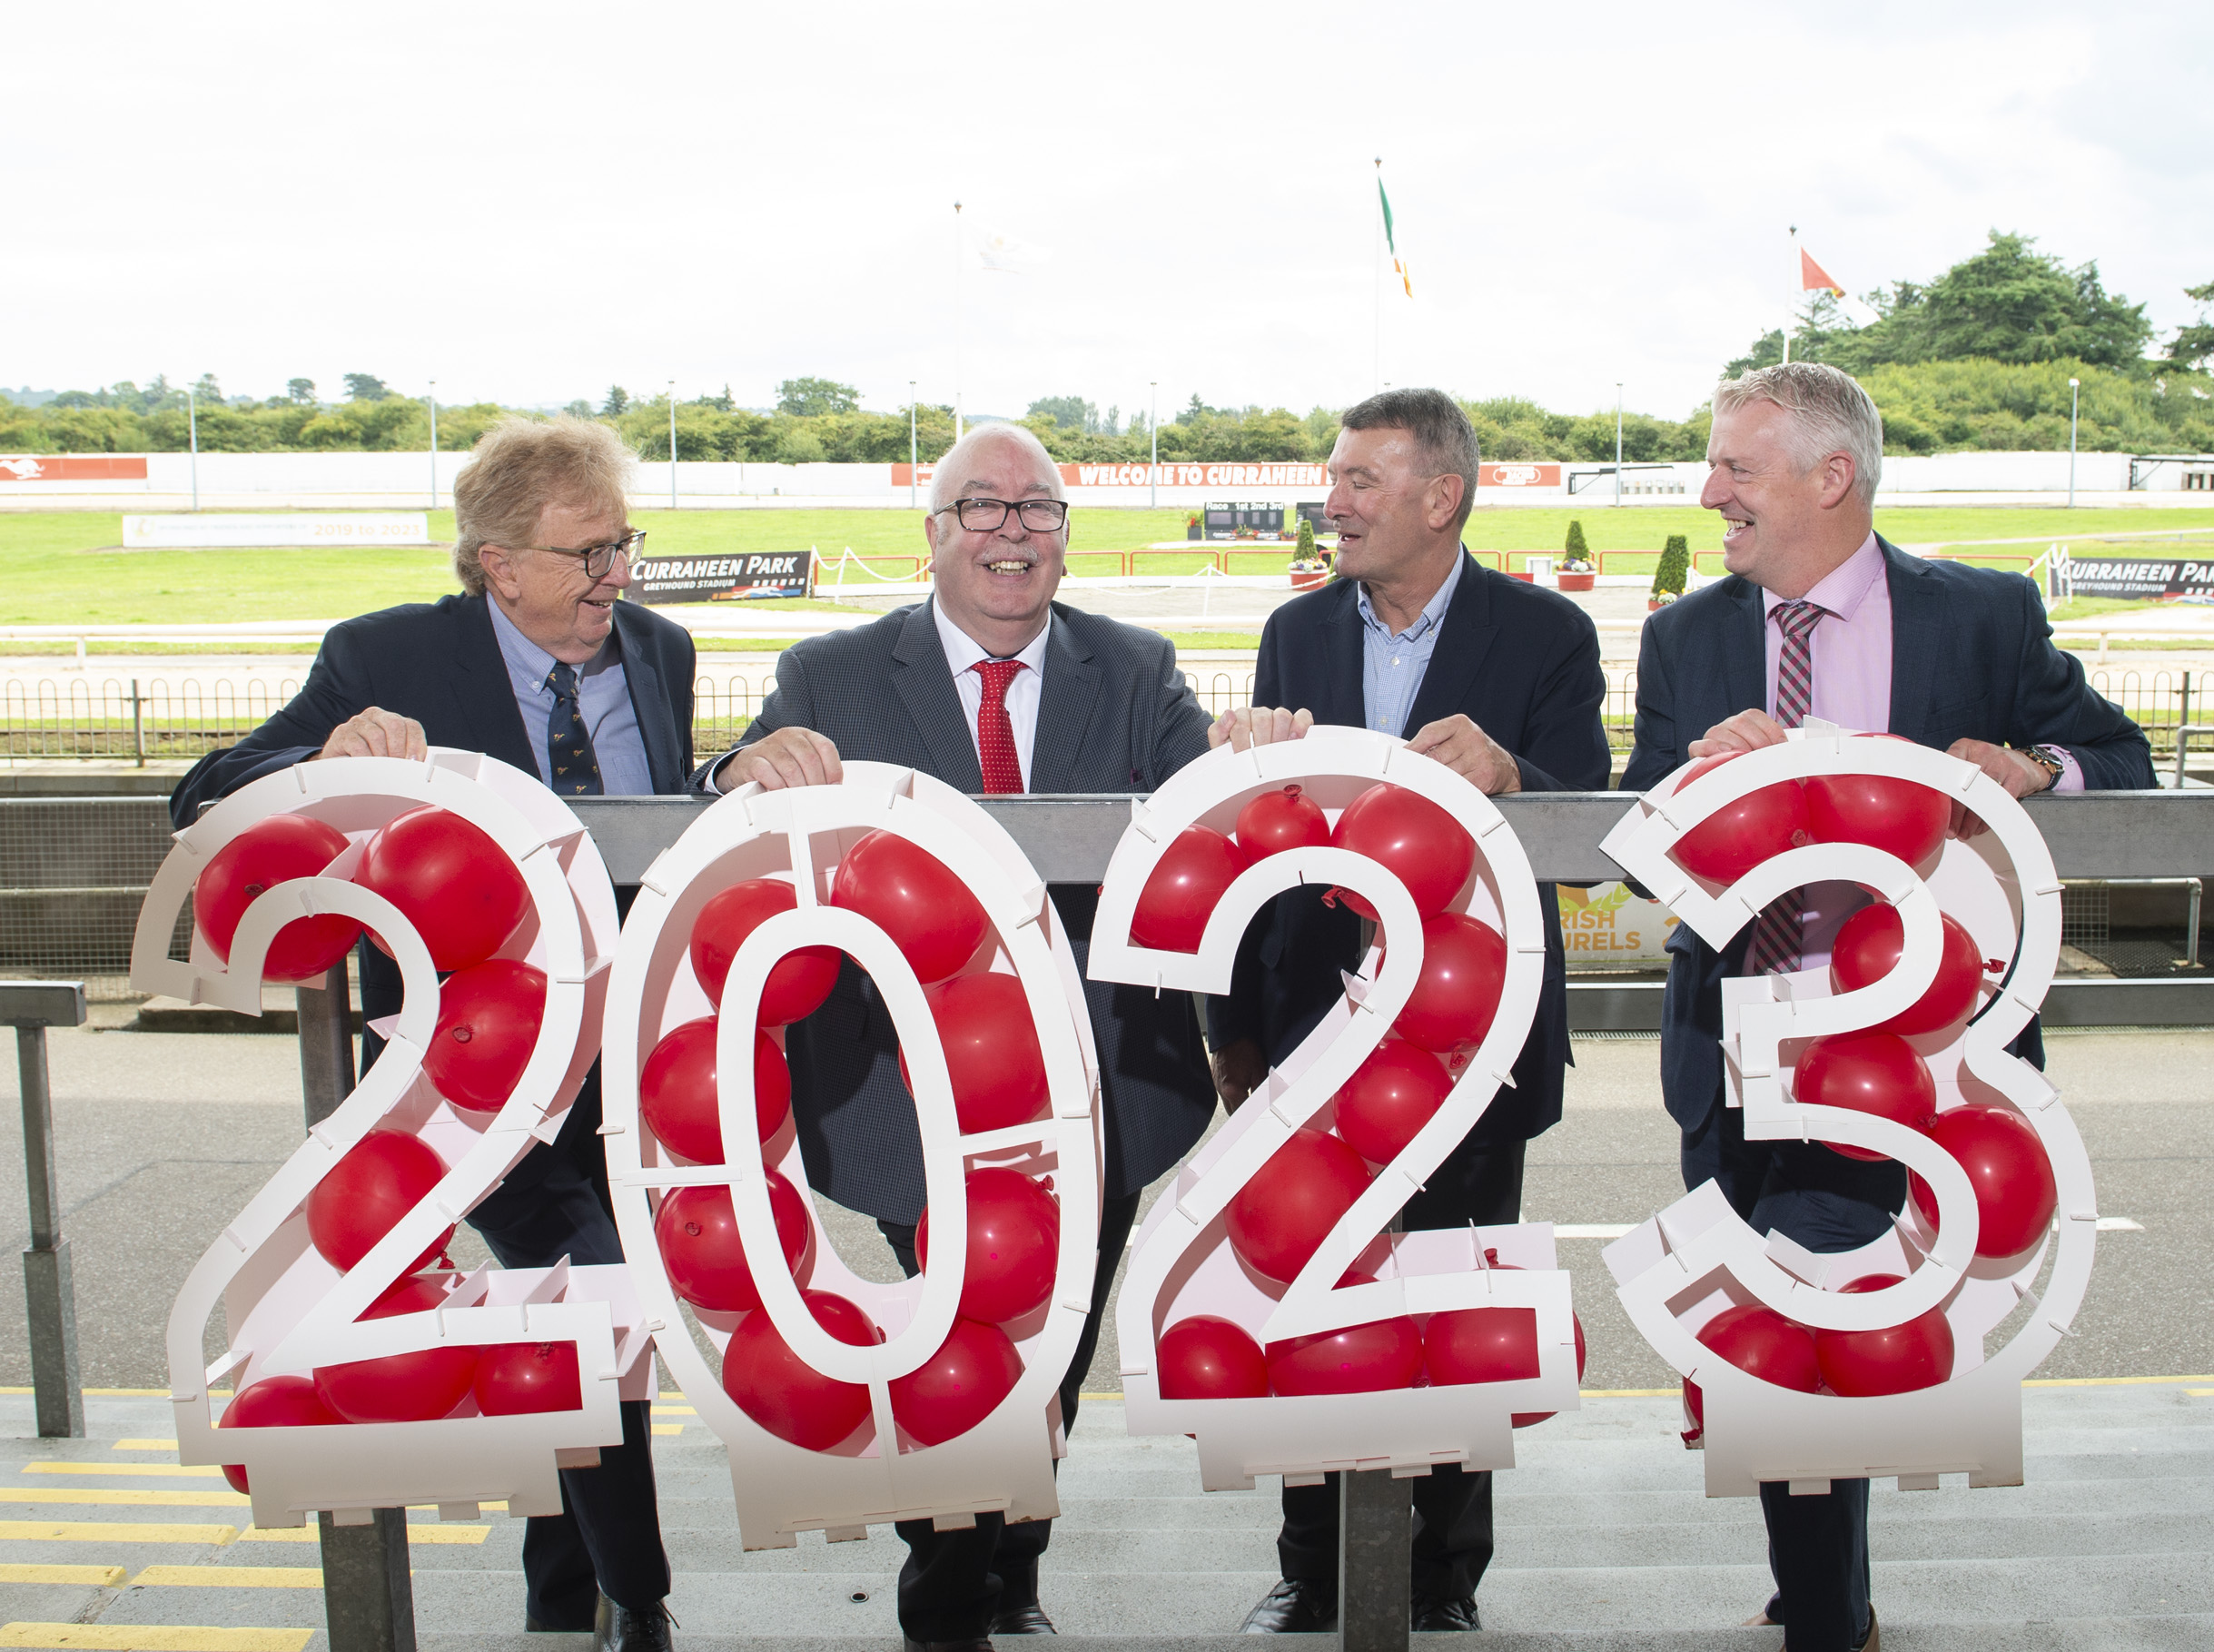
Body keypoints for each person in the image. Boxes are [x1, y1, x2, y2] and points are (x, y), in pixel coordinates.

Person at [1621, 362, 2153, 1652]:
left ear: (1829, 477)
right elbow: (1631, 839)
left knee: (1843, 1318)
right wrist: (1692, 784)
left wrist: (2037, 766)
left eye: (1734, 470)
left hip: (1911, 1067)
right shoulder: (1685, 636)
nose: (1708, 495)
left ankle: (1822, 1606)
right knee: (1774, 1327)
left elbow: (2120, 760)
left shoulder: (1980, 617)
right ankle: (1815, 1578)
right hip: (1736, 1049)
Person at [171, 417, 690, 1652]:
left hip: (624, 1066)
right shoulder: (386, 655)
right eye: (586, 555)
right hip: (467, 1076)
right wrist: (325, 756)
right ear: (495, 562)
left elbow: (652, 833)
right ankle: (642, 1599)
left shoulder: (659, 651)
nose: (615, 578)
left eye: (623, 545)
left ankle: (561, 1590)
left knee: (562, 1305)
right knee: (595, 1290)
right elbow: (205, 791)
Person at [705, 421, 1221, 1652]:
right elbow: (731, 806)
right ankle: (947, 1582)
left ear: (1063, 534)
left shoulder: (1138, 668)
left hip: (1097, 1089)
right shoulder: (830, 672)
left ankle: (1009, 1557)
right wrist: (738, 766)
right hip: (894, 1088)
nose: (1011, 532)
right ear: (932, 533)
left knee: (1056, 1338)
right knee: (955, 1326)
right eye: (980, 509)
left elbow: (1205, 819)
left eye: (1036, 509)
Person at [1205, 388, 1612, 1636]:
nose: (1331, 499)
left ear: (1440, 499)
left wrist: (1516, 778)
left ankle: (1442, 1579)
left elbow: (1586, 823)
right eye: (1332, 476)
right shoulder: (1296, 631)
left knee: (1450, 1301)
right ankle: (1311, 1565)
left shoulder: (1544, 633)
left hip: (1467, 1043)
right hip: (1309, 1039)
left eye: (1359, 481)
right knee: (1301, 1295)